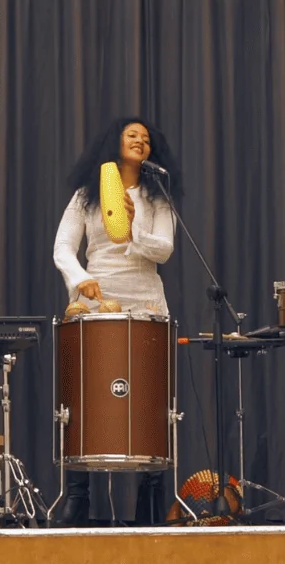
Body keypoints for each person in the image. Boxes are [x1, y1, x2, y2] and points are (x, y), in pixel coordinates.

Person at [53, 117, 183, 525]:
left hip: (145, 296)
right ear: (115, 142)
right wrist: (80, 279)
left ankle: (151, 496)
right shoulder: (85, 196)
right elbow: (62, 248)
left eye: (146, 138)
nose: (140, 141)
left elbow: (163, 250)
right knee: (86, 394)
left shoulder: (157, 196)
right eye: (133, 135)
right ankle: (77, 495)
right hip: (98, 296)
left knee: (148, 395)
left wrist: (134, 224)